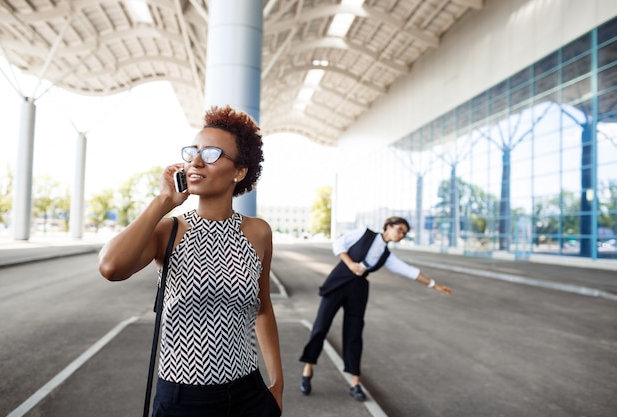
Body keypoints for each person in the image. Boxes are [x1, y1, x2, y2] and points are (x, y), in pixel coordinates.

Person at [98, 105, 283, 417]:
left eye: (211, 154)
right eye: (192, 152)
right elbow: (111, 267)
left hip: (248, 394)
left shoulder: (258, 232)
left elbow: (263, 309)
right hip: (183, 399)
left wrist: (277, 385)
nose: (196, 161)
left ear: (239, 171)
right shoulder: (168, 230)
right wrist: (163, 202)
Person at [298, 216, 452, 401]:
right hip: (338, 283)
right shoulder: (364, 233)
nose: (402, 235)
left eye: (405, 234)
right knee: (321, 327)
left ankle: (355, 383)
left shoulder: (387, 255)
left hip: (358, 291)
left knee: (354, 334)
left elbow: (408, 270)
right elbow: (339, 244)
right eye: (400, 230)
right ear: (389, 226)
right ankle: (308, 369)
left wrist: (434, 284)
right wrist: (351, 264)